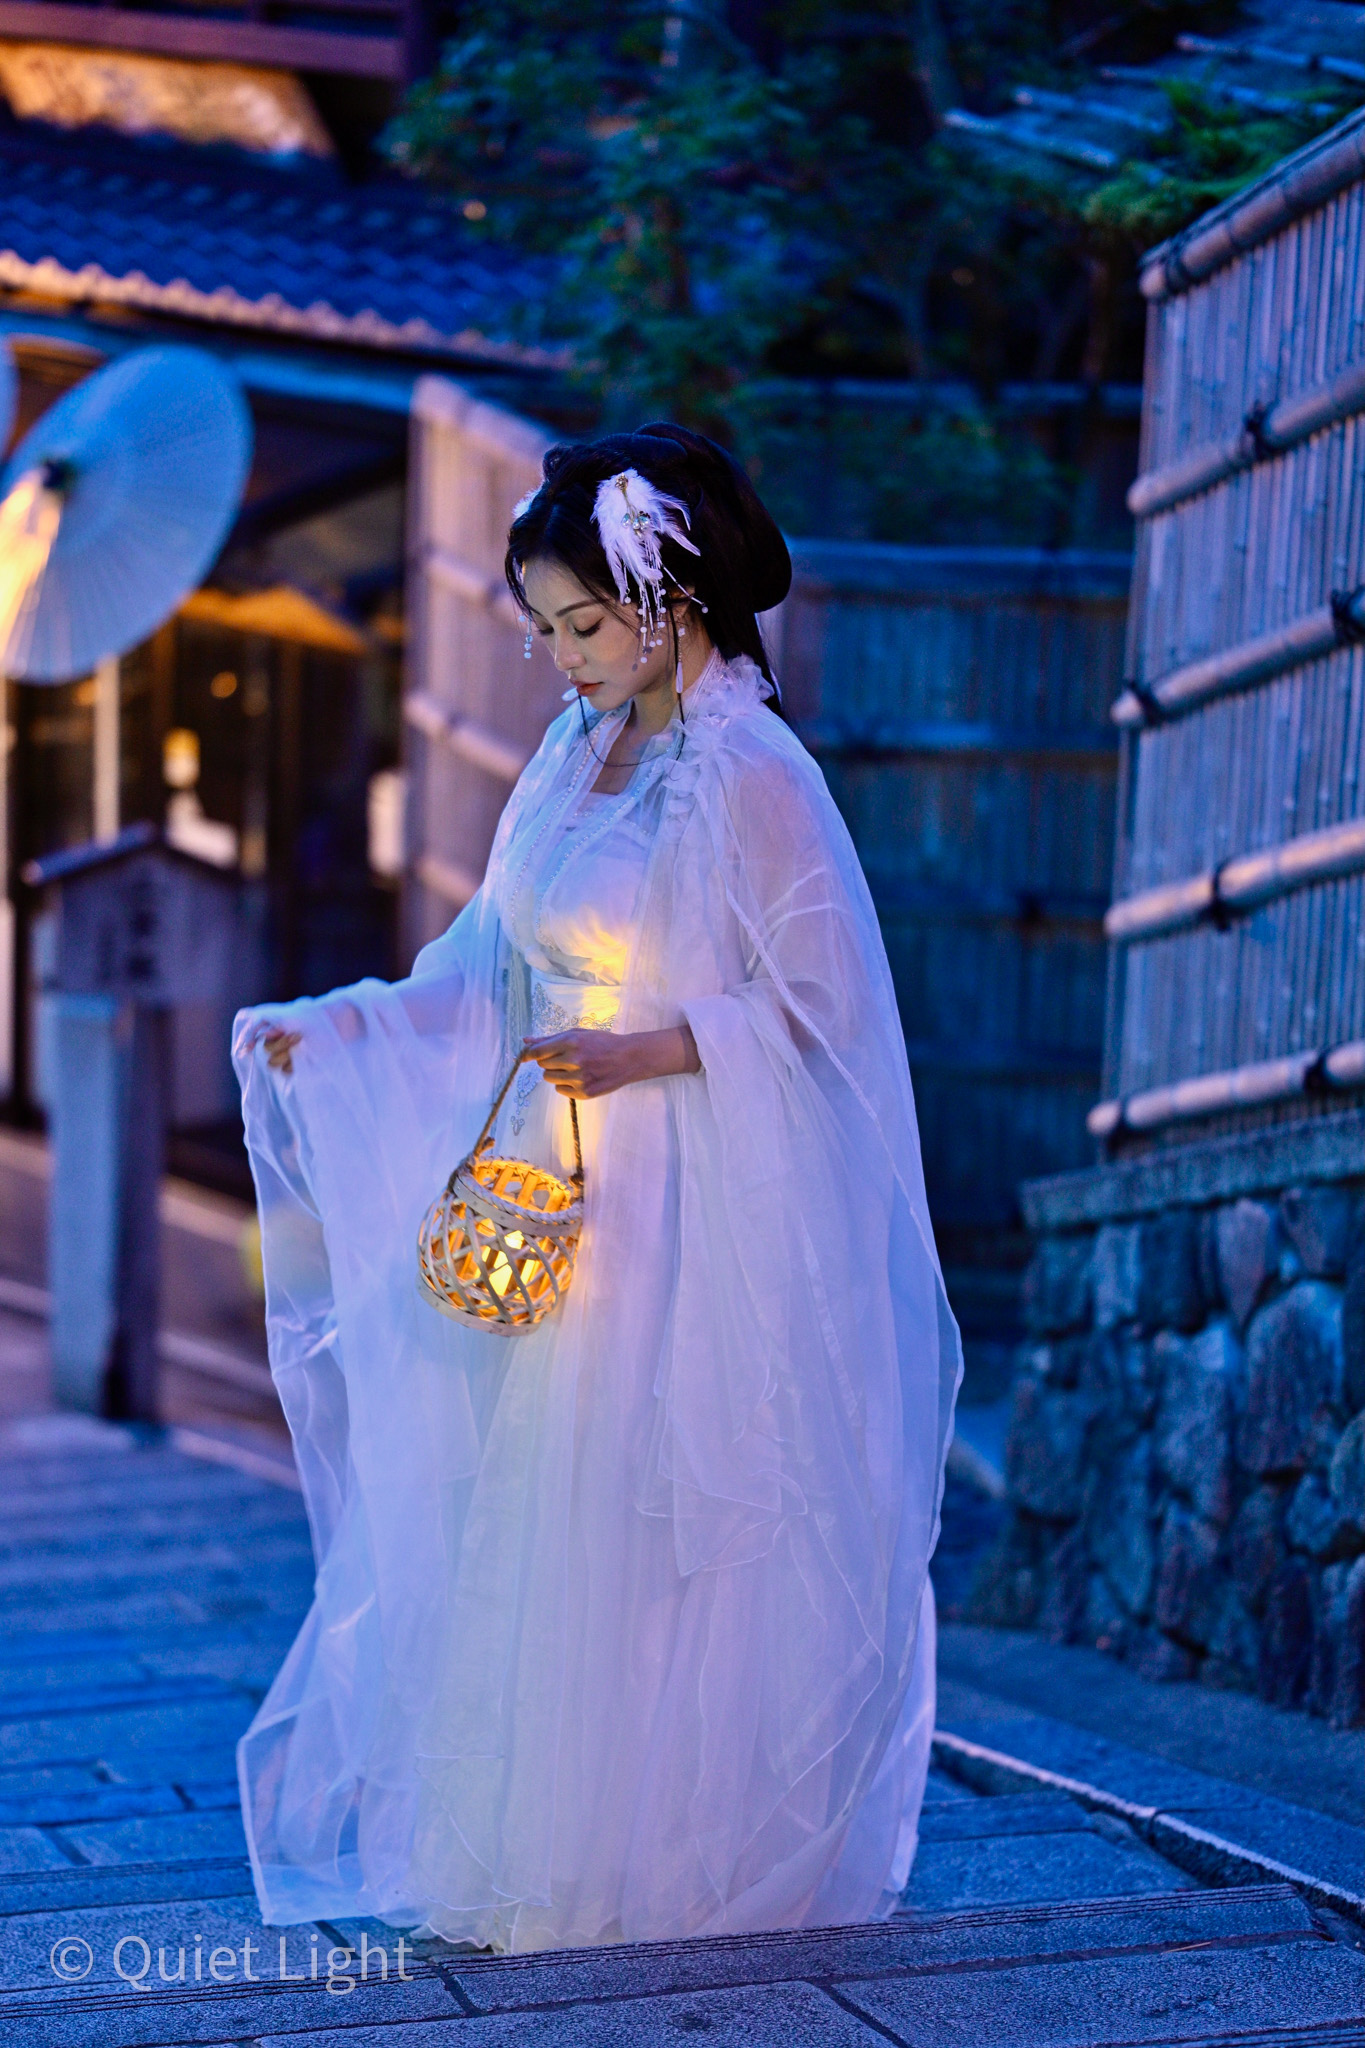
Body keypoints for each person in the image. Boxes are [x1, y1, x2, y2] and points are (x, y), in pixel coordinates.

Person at [233, 423, 961, 1955]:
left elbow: (827, 1004)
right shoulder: (578, 754)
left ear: (672, 597)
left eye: (583, 624)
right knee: (545, 1518)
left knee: (660, 1523)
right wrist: (341, 1024)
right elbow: (492, 960)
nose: (561, 661)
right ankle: (546, 1851)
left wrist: (658, 1047)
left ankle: (679, 1863)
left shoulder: (753, 771)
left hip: (697, 1204)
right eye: (545, 630)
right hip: (563, 1197)